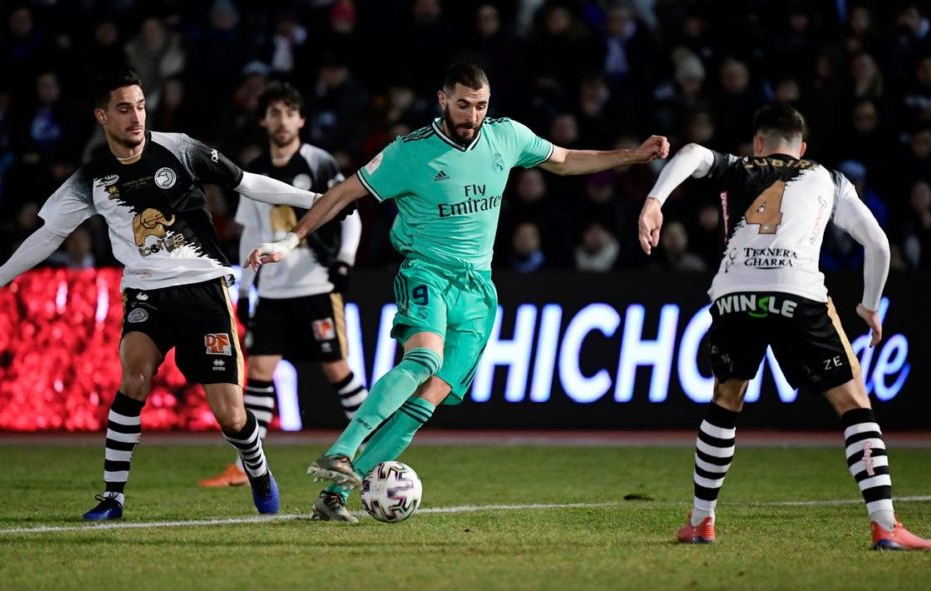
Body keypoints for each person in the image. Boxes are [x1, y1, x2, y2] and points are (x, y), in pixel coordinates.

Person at [247, 61, 669, 522]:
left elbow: (565, 160)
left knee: (424, 402)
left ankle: (333, 497)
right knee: (422, 359)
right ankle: (342, 450)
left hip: (478, 292)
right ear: (443, 100)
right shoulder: (410, 152)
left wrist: (633, 155)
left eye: (482, 106)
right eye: (464, 104)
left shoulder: (506, 136)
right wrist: (291, 239)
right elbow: (345, 193)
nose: (473, 115)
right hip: (427, 273)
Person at [0, 69, 324, 521]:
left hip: (203, 287)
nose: (136, 117)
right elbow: (48, 237)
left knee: (230, 415)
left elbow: (247, 182)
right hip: (146, 292)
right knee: (133, 380)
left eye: (141, 106)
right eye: (124, 108)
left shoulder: (180, 148)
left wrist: (321, 199)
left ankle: (258, 471)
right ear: (102, 116)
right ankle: (113, 498)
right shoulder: (93, 177)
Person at [638, 102, 931, 551]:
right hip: (797, 292)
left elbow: (694, 152)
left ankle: (701, 521)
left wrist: (654, 201)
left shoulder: (736, 166)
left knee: (726, 399)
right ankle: (885, 525)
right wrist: (869, 306)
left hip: (733, 294)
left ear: (758, 143)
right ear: (802, 147)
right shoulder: (828, 178)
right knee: (854, 403)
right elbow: (877, 244)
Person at [200, 82, 367, 487]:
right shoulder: (253, 170)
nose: (282, 120)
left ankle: (376, 449)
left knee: (337, 369)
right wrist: (242, 289)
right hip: (272, 292)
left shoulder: (320, 162)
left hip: (314, 285)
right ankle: (244, 467)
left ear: (301, 119)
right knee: (258, 371)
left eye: (289, 112)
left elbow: (352, 214)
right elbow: (250, 233)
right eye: (274, 113)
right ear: (263, 121)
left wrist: (344, 262)